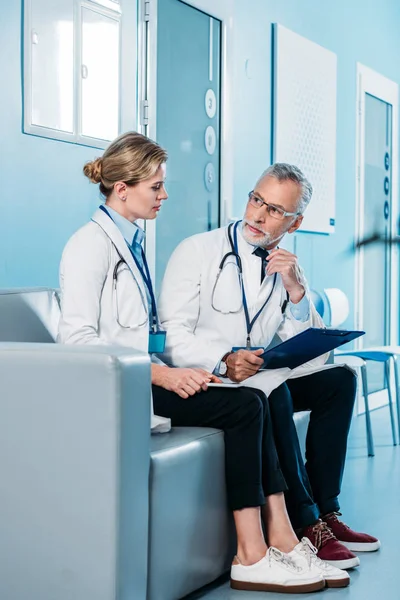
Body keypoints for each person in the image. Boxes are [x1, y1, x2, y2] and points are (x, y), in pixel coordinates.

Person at [57, 133, 347, 592]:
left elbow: (137, 334)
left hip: (141, 376)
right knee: (247, 404)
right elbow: (77, 341)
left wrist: (295, 292)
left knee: (269, 394)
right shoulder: (89, 246)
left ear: (293, 222)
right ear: (122, 188)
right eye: (156, 186)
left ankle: (280, 541)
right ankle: (256, 550)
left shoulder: (129, 243)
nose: (165, 195)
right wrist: (162, 372)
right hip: (118, 388)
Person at [158, 162, 380, 570]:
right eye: (256, 199)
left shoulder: (285, 265)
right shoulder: (197, 250)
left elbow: (313, 354)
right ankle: (306, 521)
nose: (258, 215)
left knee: (341, 379)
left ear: (294, 223)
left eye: (275, 210)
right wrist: (223, 361)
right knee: (272, 389)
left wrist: (297, 292)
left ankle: (328, 511)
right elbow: (172, 337)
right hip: (209, 377)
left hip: (258, 372)